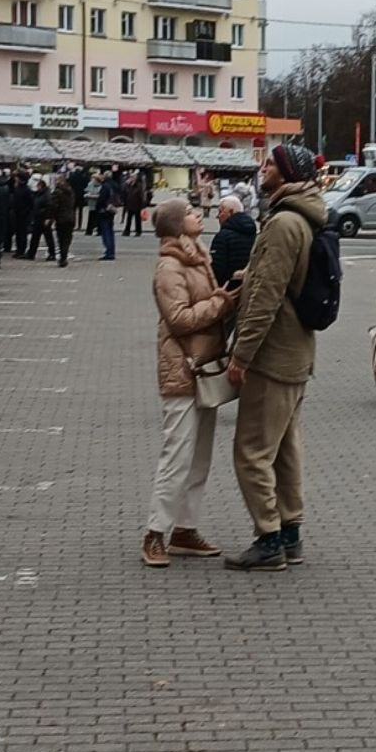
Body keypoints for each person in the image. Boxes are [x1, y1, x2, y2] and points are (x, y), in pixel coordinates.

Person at [224, 144, 327, 571]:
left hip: (273, 355)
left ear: (285, 174)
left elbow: (267, 296)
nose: (262, 168)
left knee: (251, 451)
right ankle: (290, 534)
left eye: (269, 163)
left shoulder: (284, 222)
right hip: (296, 353)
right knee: (285, 449)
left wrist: (241, 355)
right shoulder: (303, 216)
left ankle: (268, 539)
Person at [142, 199, 238, 567]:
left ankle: (184, 529)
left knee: (199, 457)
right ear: (176, 225)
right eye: (190, 213)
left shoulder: (197, 257)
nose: (198, 215)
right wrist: (221, 303)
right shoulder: (170, 266)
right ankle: (154, 533)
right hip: (182, 368)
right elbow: (179, 319)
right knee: (177, 455)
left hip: (204, 367)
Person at [210, 195, 258, 287]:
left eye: (220, 211)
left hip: (228, 288)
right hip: (249, 287)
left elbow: (217, 269)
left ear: (230, 212)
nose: (217, 216)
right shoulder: (254, 233)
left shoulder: (223, 236)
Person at [26, 175, 56, 261]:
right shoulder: (40, 194)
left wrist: (48, 217)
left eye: (38, 186)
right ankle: (31, 253)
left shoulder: (46, 195)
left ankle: (51, 253)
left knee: (47, 237)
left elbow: (49, 206)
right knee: (36, 237)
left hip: (43, 218)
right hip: (38, 218)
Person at [50, 171, 76, 267]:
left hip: (61, 218)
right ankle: (64, 256)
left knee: (61, 239)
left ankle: (62, 258)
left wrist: (51, 217)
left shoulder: (57, 192)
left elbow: (54, 206)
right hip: (70, 217)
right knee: (67, 238)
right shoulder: (70, 191)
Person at [95, 169, 120, 260]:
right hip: (111, 210)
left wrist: (98, 207)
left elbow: (101, 199)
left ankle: (109, 252)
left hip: (104, 211)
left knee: (106, 232)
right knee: (110, 231)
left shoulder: (105, 186)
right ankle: (111, 251)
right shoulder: (114, 185)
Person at [10, 170, 33, 258]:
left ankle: (21, 250)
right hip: (17, 214)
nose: (15, 179)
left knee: (22, 234)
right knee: (18, 233)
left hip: (23, 215)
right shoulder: (18, 188)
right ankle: (19, 250)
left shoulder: (26, 190)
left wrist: (27, 213)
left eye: (17, 177)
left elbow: (30, 203)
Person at [122, 172, 146, 236]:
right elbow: (124, 192)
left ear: (136, 178)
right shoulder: (128, 185)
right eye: (131, 177)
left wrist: (143, 205)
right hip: (129, 204)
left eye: (133, 177)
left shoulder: (139, 185)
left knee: (137, 219)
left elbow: (141, 195)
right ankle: (127, 231)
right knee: (129, 219)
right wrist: (126, 184)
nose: (131, 178)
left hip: (137, 204)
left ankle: (138, 231)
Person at [69, 164, 90, 231]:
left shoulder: (72, 176)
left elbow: (69, 184)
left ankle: (73, 224)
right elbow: (86, 185)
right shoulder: (84, 177)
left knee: (73, 211)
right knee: (80, 211)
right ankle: (79, 225)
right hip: (81, 195)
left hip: (74, 195)